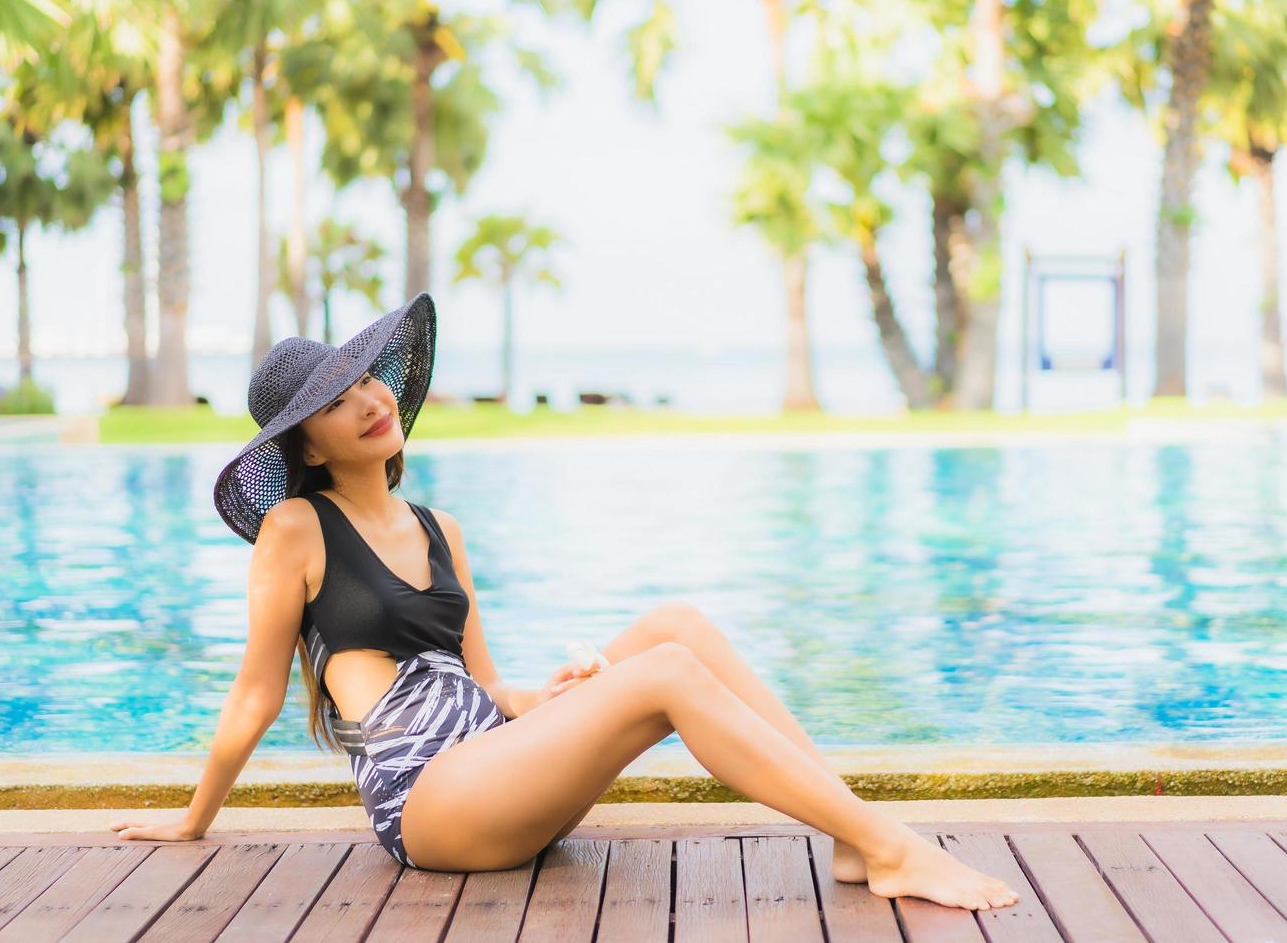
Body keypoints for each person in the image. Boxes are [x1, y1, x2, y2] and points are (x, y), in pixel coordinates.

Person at [108, 292, 1020, 911]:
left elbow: (490, 689)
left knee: (677, 627)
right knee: (662, 671)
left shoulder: (440, 528)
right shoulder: (296, 533)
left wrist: (561, 698)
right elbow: (255, 693)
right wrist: (193, 819)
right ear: (305, 445)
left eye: (366, 380)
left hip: (493, 757)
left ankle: (856, 835)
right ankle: (891, 846)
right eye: (334, 401)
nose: (367, 401)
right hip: (429, 804)